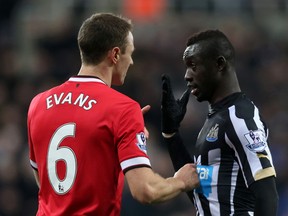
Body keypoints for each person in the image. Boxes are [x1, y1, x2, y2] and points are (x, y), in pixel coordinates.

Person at [27, 13, 199, 216]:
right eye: (130, 53)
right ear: (115, 54)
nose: (132, 61)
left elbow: (44, 179)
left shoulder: (39, 103)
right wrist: (180, 181)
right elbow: (146, 190)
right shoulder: (122, 108)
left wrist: (116, 142)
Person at [161, 29, 278, 216]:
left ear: (219, 64)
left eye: (193, 66)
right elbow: (204, 198)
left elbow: (267, 195)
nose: (187, 76)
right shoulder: (216, 120)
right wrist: (171, 134)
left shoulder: (241, 118)